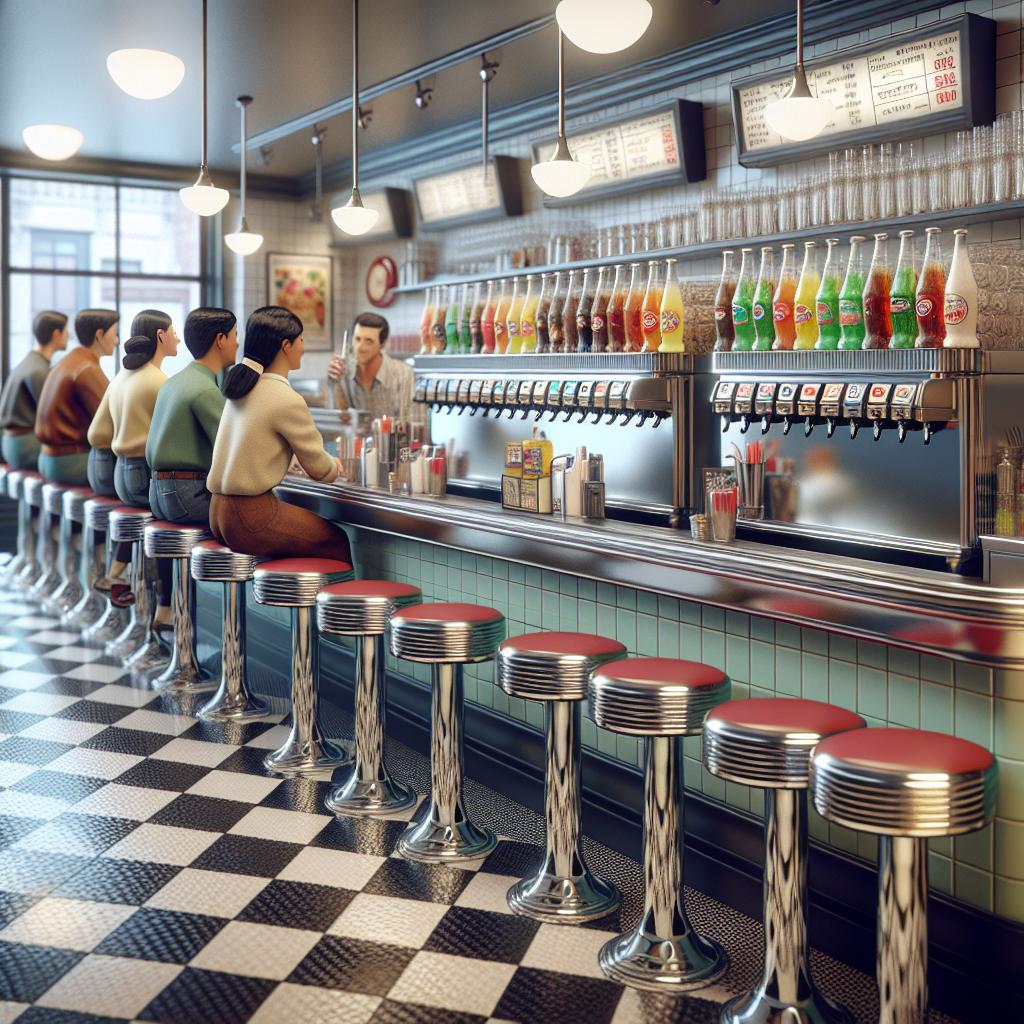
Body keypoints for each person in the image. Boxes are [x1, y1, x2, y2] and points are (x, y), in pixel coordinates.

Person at [208, 306, 350, 563]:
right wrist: (335, 466)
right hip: (249, 515)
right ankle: (321, 604)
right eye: (302, 340)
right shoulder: (285, 398)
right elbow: (320, 469)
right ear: (287, 345)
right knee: (337, 542)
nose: (303, 348)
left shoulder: (241, 388)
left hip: (217, 511)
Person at [88, 310, 179, 619]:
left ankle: (119, 570)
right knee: (169, 525)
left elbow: (97, 432)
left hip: (120, 475)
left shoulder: (120, 377)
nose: (178, 337)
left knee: (157, 517)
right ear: (160, 337)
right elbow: (170, 443)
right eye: (173, 331)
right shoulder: (160, 382)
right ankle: (165, 609)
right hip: (143, 474)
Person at [146, 307, 236, 524]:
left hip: (157, 494)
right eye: (235, 336)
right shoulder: (204, 389)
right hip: (187, 496)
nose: (238, 343)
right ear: (220, 339)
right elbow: (234, 447)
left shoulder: (173, 382)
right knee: (251, 522)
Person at [35, 309, 118, 486]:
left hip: (47, 458)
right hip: (70, 462)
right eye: (115, 334)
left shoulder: (67, 361)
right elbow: (112, 420)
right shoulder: (87, 369)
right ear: (99, 335)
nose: (117, 341)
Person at [327, 311, 424, 424]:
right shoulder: (343, 374)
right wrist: (334, 384)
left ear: (382, 344)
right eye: (357, 339)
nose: (360, 347)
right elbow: (337, 425)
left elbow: (415, 426)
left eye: (369, 341)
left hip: (394, 441)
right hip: (356, 441)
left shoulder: (404, 375)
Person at [1, 311, 67, 470]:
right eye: (66, 332)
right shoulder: (38, 370)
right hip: (25, 446)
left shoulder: (29, 362)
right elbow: (52, 414)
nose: (68, 336)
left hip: (10, 444)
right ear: (57, 334)